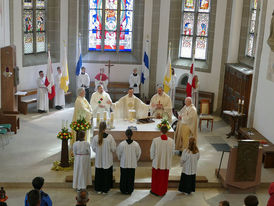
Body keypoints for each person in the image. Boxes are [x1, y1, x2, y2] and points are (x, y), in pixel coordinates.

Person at [92, 122, 116, 194]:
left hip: (99, 160)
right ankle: (105, 189)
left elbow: (93, 148)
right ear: (105, 128)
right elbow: (113, 149)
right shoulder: (110, 137)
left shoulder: (96, 137)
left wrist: (99, 152)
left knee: (99, 174)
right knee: (106, 174)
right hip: (107, 160)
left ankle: (98, 189)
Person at [150, 126, 175, 196]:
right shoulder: (171, 141)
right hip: (166, 163)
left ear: (160, 131)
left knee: (156, 178)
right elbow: (172, 153)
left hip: (157, 163)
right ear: (167, 131)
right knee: (164, 178)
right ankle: (163, 191)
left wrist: (153, 159)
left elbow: (152, 152)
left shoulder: (155, 140)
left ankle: (155, 191)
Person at [117, 129, 141, 194]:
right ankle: (130, 189)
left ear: (126, 134)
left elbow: (119, 154)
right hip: (132, 164)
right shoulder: (136, 144)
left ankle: (123, 190)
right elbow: (138, 154)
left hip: (124, 164)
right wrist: (135, 160)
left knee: (123, 177)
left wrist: (121, 160)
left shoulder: (122, 144)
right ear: (132, 135)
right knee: (131, 177)